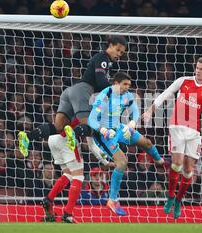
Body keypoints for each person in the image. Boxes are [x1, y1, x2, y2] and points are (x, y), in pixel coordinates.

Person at [17, 35, 127, 165]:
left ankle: (27, 137)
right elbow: (100, 79)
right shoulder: (103, 58)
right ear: (110, 45)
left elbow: (91, 144)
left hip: (72, 92)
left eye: (122, 52)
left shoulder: (107, 63)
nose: (119, 54)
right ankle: (73, 132)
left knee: (58, 127)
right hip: (83, 91)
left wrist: (105, 162)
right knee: (90, 125)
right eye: (118, 50)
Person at [142, 57, 202, 219]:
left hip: (194, 132)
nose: (198, 71)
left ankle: (178, 200)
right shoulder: (183, 81)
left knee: (189, 170)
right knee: (177, 163)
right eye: (197, 68)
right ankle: (170, 196)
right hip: (177, 127)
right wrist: (150, 110)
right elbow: (164, 95)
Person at [88, 72, 164, 216]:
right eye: (125, 84)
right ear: (116, 83)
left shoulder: (127, 95)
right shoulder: (104, 96)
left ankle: (159, 161)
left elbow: (135, 110)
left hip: (119, 128)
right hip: (104, 135)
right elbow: (92, 119)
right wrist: (102, 129)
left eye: (129, 85)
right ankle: (112, 200)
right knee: (122, 162)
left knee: (146, 143)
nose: (127, 87)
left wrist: (132, 123)